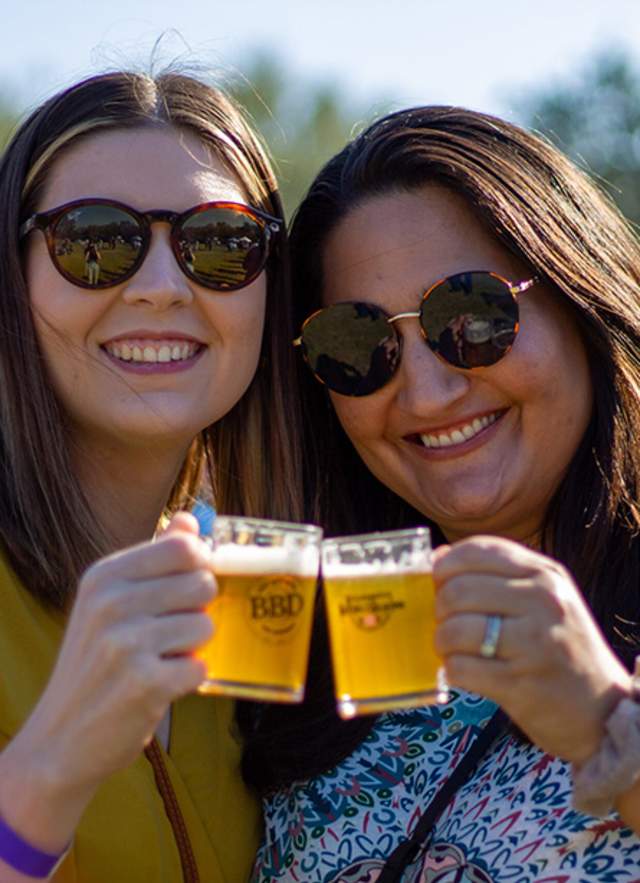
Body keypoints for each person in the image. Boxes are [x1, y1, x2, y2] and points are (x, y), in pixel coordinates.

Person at [244, 106, 640, 881]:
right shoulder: (296, 648)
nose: (425, 395)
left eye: (472, 314)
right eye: (357, 344)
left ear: (581, 296)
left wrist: (605, 724)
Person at [0, 69, 303, 881]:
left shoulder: (267, 587)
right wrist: (44, 775)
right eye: (93, 240)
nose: (165, 288)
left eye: (220, 243)